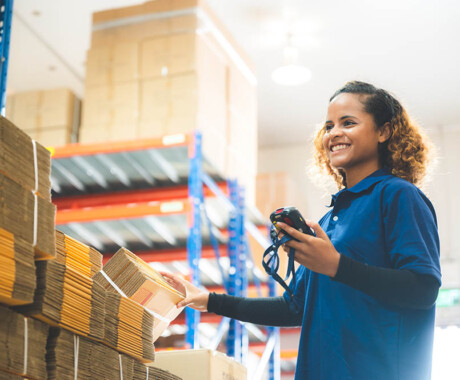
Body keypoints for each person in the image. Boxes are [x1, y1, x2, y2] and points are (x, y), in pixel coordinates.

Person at [161, 81, 442, 380]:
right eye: (329, 126)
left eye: (348, 123)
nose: (334, 133)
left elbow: (423, 288)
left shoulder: (399, 196)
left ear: (384, 132)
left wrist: (336, 266)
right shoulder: (331, 218)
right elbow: (294, 308)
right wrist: (208, 300)